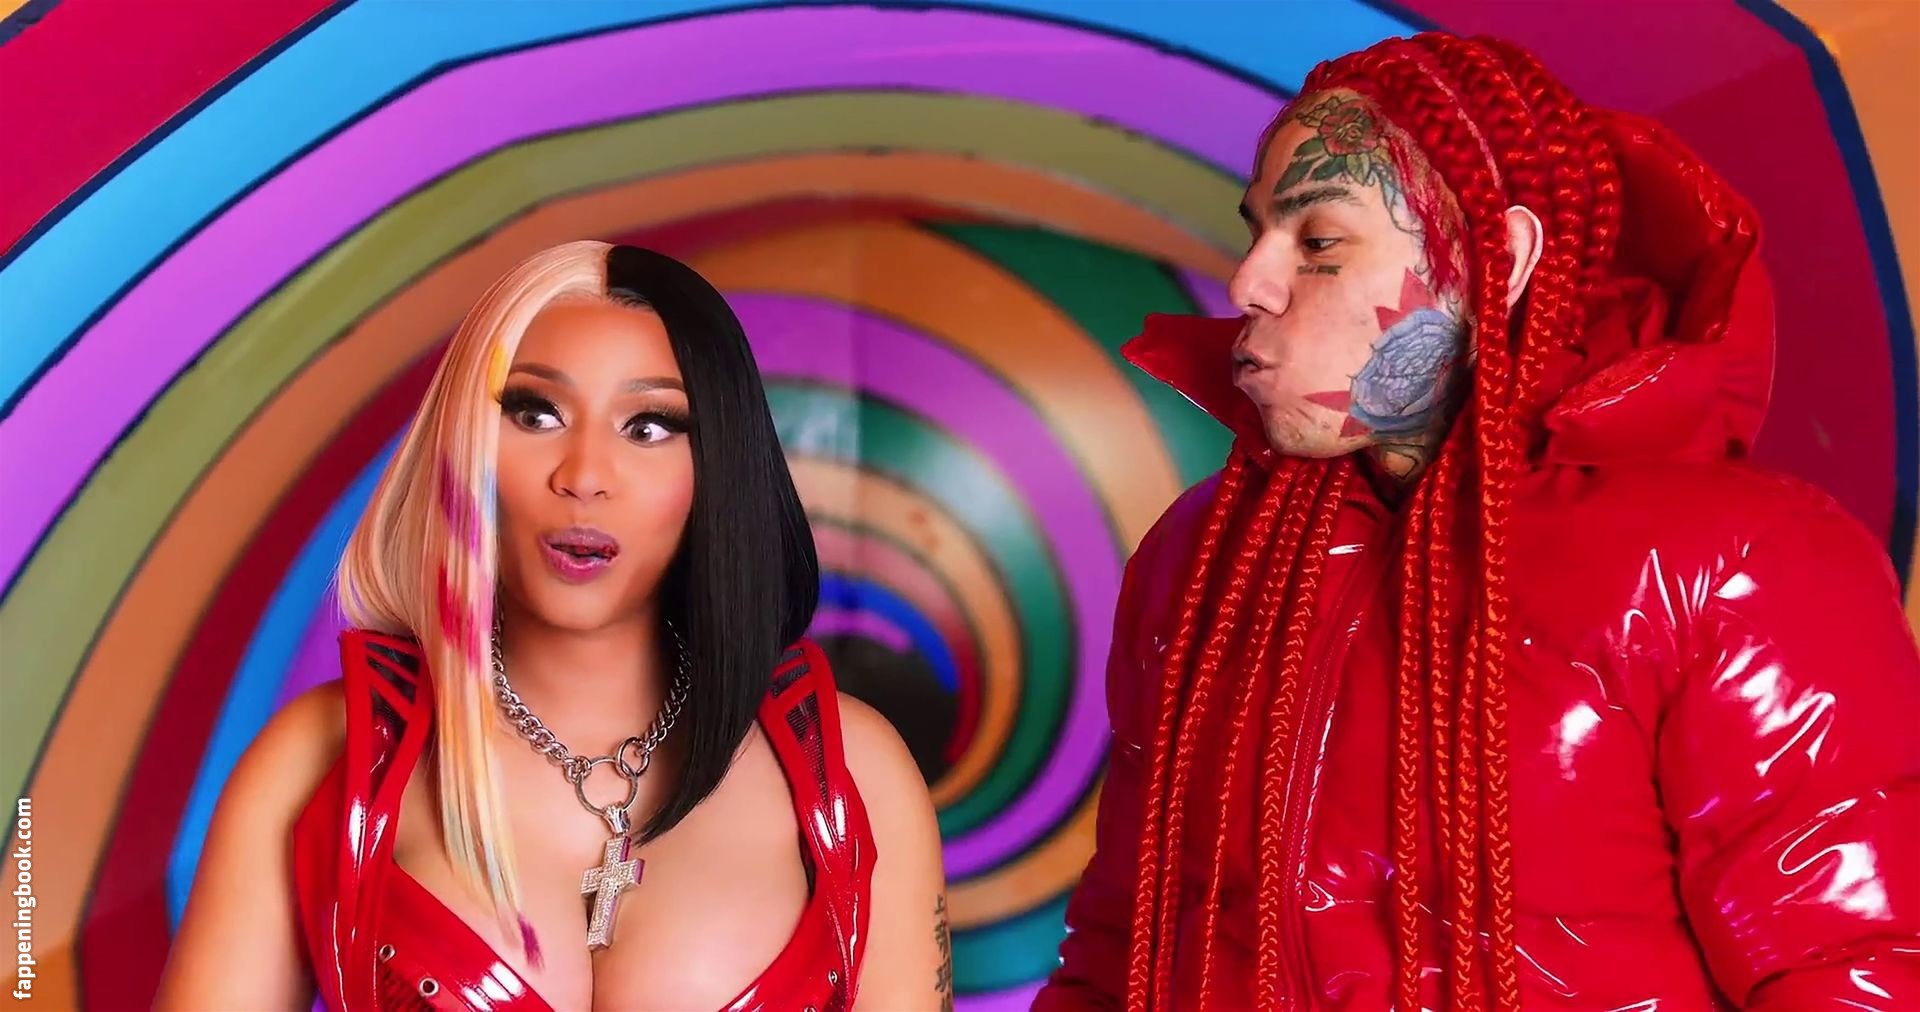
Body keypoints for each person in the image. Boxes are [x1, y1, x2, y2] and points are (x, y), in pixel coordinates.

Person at [1036, 32, 1920, 1010]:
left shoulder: (1739, 561)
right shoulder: (1200, 556)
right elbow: (1120, 945)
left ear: (1498, 260)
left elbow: (1858, 971)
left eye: (1318, 244)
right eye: (1257, 234)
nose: (1249, 282)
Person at [156, 241, 952, 1010]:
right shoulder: (319, 761)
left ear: (717, 464)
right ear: (463, 444)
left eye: (648, 426)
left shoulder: (855, 773)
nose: (583, 476)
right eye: (535, 413)